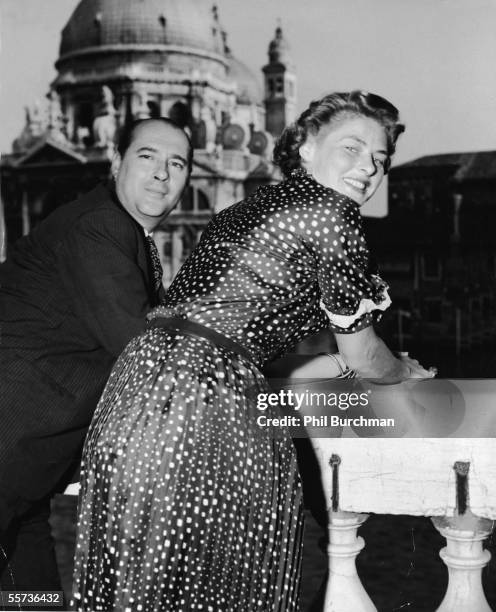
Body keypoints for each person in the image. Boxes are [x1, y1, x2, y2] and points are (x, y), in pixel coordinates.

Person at [71, 91, 434, 612]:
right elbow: (366, 358)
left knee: (143, 586)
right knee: (221, 589)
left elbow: (238, 338)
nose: (369, 169)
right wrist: (405, 371)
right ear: (305, 147)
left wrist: (329, 365)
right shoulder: (331, 213)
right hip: (204, 407)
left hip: (139, 395)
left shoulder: (250, 208)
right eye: (352, 148)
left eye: (380, 158)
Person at [0, 118, 192, 595]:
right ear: (115, 162)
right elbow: (141, 353)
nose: (162, 175)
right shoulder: (100, 229)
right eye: (147, 157)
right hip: (10, 446)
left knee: (30, 598)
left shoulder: (122, 232)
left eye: (177, 163)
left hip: (29, 472)